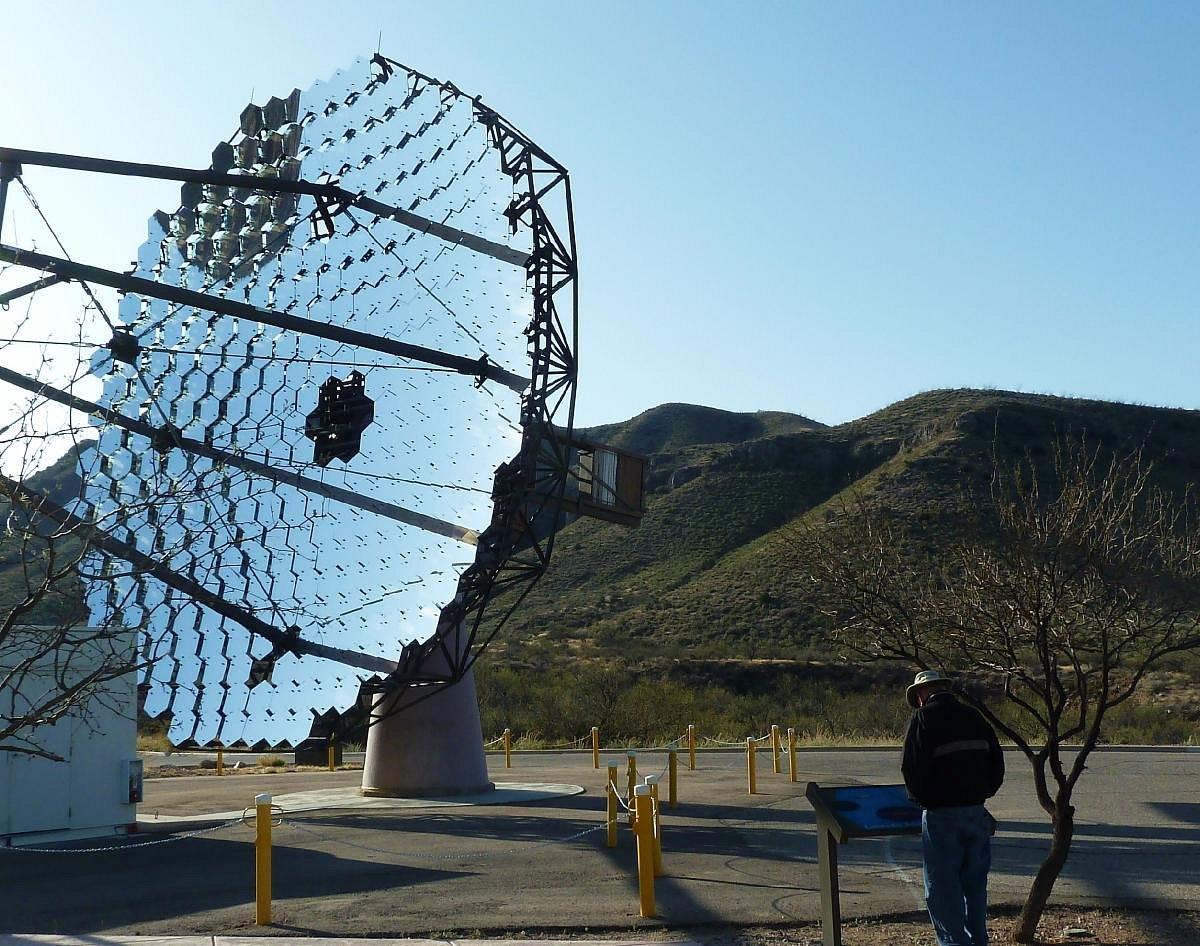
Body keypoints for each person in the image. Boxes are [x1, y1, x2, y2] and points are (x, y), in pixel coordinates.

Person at [902, 669, 1004, 946]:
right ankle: (978, 940)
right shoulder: (974, 716)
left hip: (942, 814)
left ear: (921, 696)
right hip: (975, 811)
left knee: (943, 890)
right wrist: (981, 794)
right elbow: (997, 763)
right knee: (974, 887)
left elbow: (912, 768)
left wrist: (926, 801)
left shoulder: (923, 718)